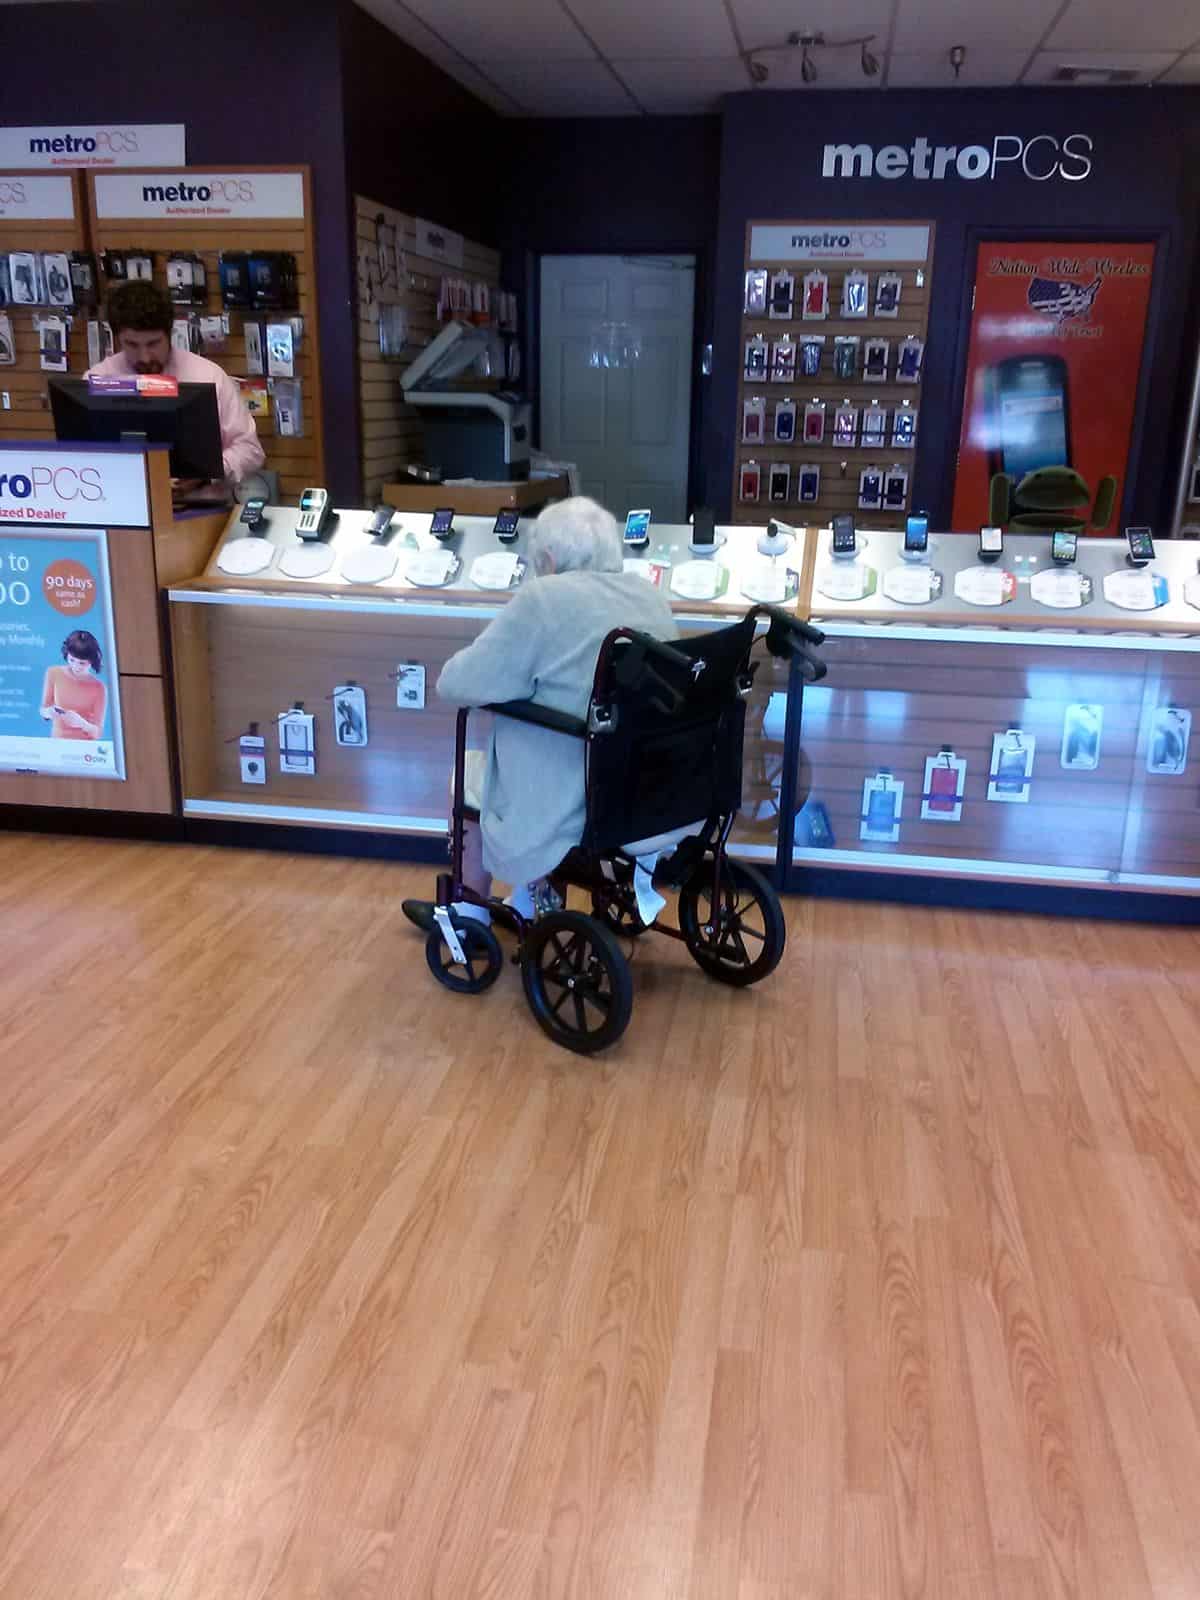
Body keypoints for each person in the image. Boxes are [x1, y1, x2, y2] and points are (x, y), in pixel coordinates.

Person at [403, 496, 678, 931]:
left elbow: (456, 684)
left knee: (468, 777)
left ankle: (469, 914)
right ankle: (530, 902)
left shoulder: (543, 599)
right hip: (641, 789)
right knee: (546, 747)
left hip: (567, 794)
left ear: (547, 559)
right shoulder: (649, 597)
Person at [86, 280, 265, 486]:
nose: (144, 357)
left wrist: (206, 473)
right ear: (117, 338)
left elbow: (250, 450)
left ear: (169, 334)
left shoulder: (208, 376)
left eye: (153, 343)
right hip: (123, 506)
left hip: (199, 509)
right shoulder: (99, 380)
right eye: (132, 344)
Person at [41, 629, 107, 741]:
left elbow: (97, 733)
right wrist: (49, 712)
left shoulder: (99, 687)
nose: (76, 666)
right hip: (57, 743)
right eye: (72, 660)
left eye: (82, 663)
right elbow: (44, 711)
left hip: (84, 749)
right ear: (66, 654)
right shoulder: (54, 673)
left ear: (92, 660)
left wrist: (82, 724)